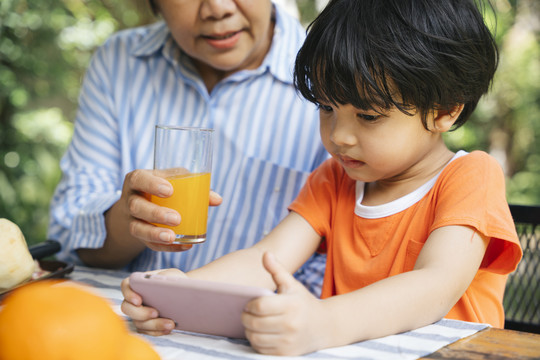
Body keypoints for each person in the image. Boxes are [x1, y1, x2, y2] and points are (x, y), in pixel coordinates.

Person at [121, 0, 523, 356]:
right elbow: (266, 258)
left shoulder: (471, 176)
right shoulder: (335, 179)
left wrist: (323, 323)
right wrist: (185, 290)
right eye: (327, 108)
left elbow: (434, 286)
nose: (338, 136)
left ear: (445, 110)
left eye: (367, 116)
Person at [47, 0, 329, 295]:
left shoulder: (331, 75)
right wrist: (129, 217)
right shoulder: (119, 62)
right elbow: (70, 239)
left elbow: (329, 275)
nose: (218, 9)